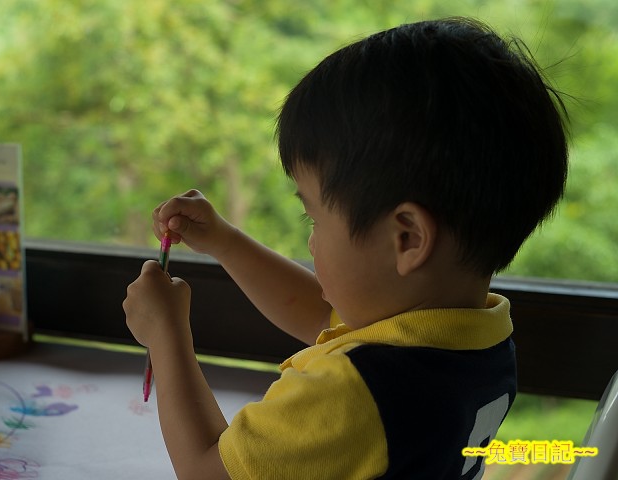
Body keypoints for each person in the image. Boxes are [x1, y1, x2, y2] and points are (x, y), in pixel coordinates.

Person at [123, 16, 569, 479]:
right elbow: (322, 316)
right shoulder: (476, 338)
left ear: (408, 238)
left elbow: (204, 470)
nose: (311, 239)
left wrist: (166, 335)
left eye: (314, 218)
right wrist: (224, 241)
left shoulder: (353, 392)